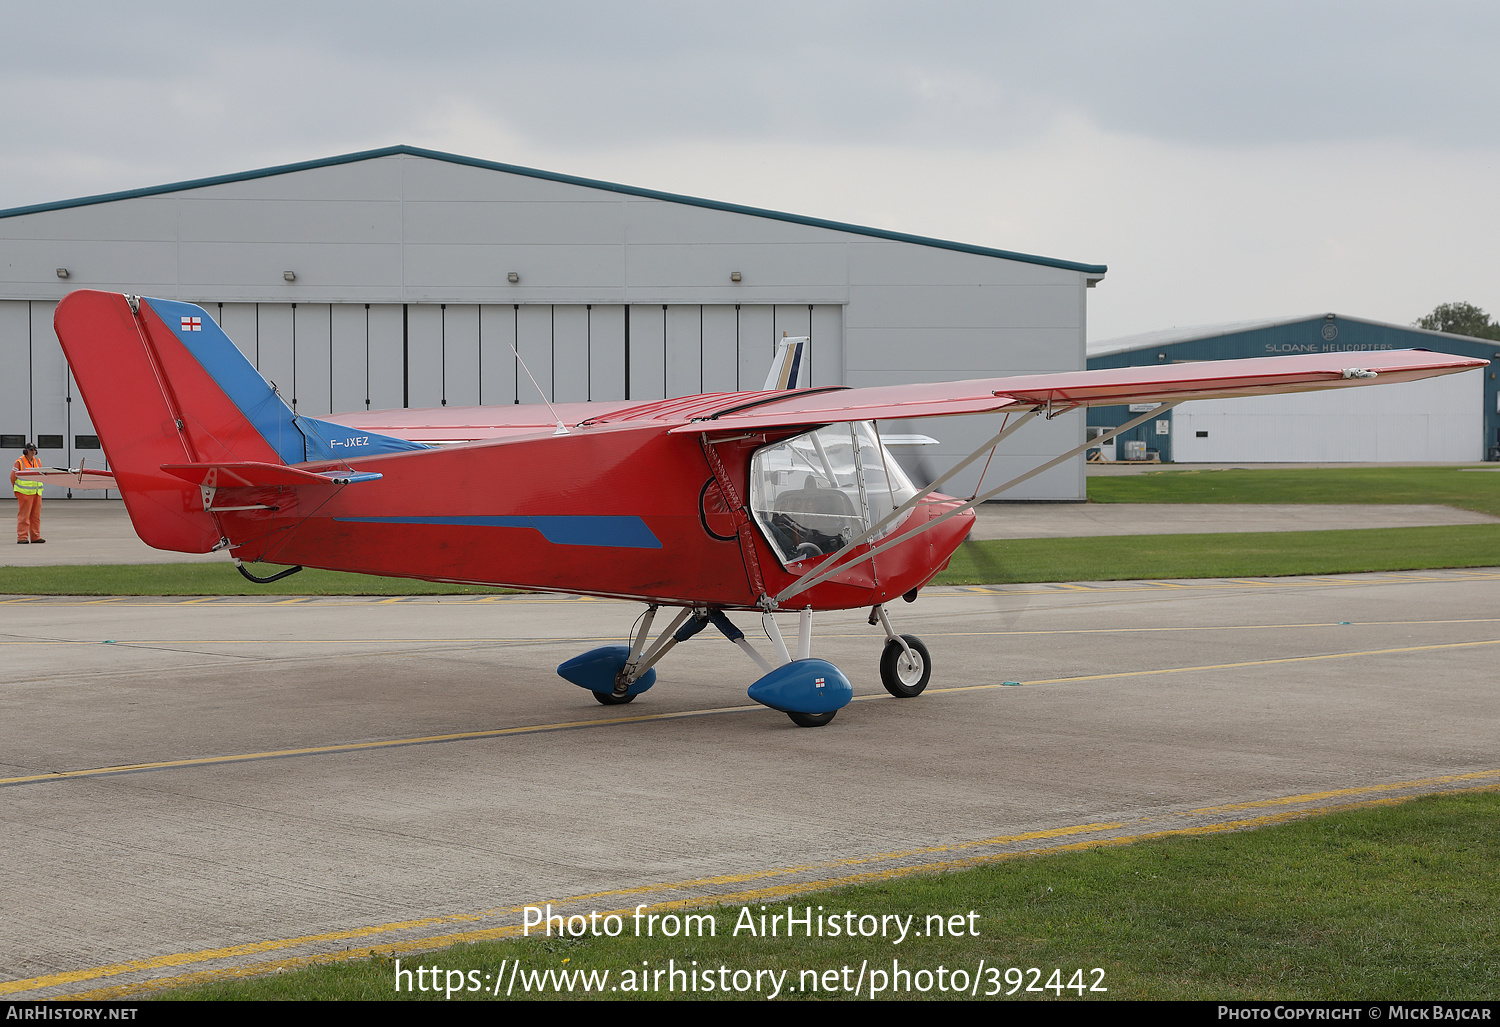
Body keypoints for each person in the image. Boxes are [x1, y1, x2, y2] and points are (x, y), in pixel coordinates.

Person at [11, 442, 44, 544]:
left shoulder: (37, 461)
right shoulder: (19, 462)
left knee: (35, 516)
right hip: (24, 494)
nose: (33, 452)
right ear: (25, 451)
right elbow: (13, 477)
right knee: (24, 516)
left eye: (34, 450)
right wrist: (17, 491)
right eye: (31, 450)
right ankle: (22, 537)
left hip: (36, 492)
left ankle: (35, 536)